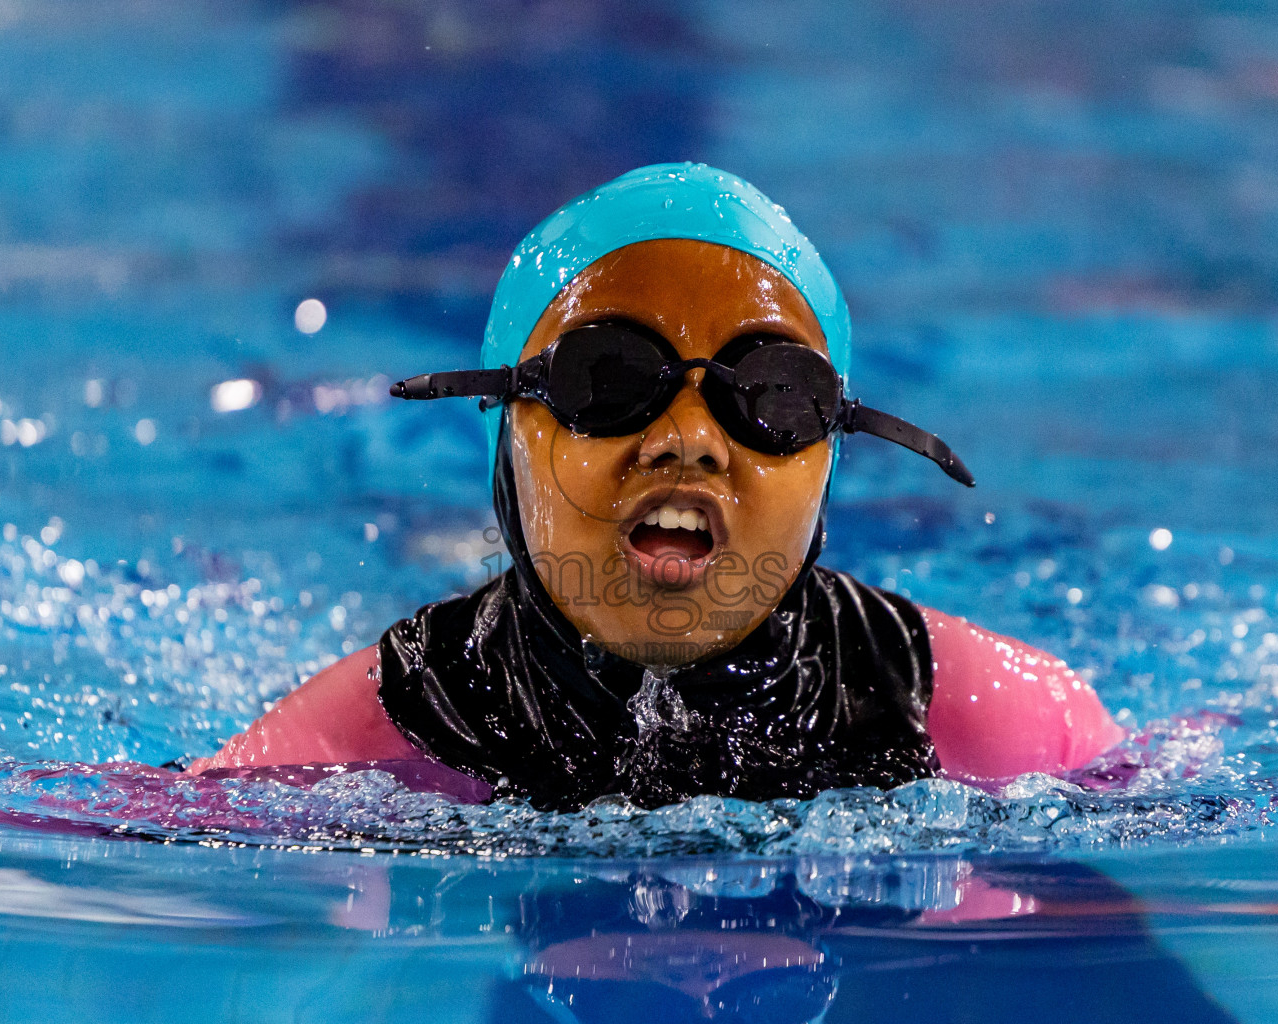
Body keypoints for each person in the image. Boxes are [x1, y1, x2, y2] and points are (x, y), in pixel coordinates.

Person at [187, 164, 1122, 810]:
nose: (688, 441)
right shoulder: (383, 728)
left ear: (833, 451)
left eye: (771, 395)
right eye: (609, 379)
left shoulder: (994, 719)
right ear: (506, 431)